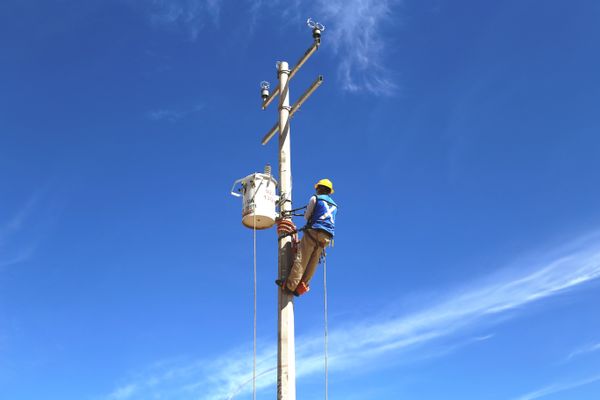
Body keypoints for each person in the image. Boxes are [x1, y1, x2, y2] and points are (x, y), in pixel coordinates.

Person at [277, 178, 337, 296]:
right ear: (329, 191)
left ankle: (290, 285)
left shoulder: (315, 198)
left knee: (302, 258)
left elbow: (307, 216)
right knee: (313, 262)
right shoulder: (335, 205)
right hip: (326, 237)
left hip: (314, 232)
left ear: (319, 188)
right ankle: (301, 286)